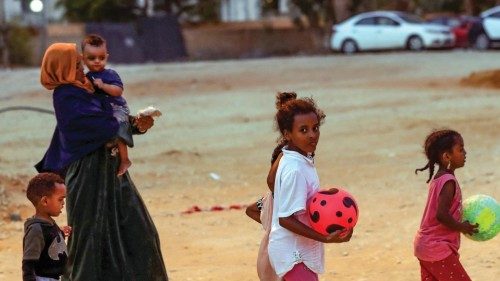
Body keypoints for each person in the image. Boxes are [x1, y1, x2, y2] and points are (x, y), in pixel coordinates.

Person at [35, 43, 168, 281]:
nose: (81, 67)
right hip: (88, 174)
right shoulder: (66, 96)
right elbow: (98, 126)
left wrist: (137, 124)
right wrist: (128, 125)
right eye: (76, 64)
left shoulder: (87, 88)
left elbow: (112, 117)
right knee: (89, 243)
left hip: (113, 169)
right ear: (62, 68)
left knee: (138, 232)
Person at [267, 92, 353, 281]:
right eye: (303, 130)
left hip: (292, 250)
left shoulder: (292, 155)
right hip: (293, 253)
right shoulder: (295, 168)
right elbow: (285, 219)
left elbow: (271, 181)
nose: (313, 135)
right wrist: (325, 238)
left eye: (315, 128)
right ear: (287, 134)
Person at [414, 129, 478, 281]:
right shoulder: (448, 181)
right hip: (436, 249)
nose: (465, 153)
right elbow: (441, 215)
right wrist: (462, 226)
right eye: (460, 149)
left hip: (425, 246)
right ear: (446, 156)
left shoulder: (439, 178)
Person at [81, 34, 132, 176]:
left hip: (116, 108)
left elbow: (118, 91)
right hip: (101, 110)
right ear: (83, 59)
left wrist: (103, 86)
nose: (97, 61)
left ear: (106, 57)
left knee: (116, 126)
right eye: (92, 58)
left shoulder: (110, 74)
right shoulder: (86, 77)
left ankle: (125, 159)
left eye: (101, 58)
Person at [23, 172, 72, 281]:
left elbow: (49, 242)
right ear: (45, 201)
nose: (63, 203)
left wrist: (61, 233)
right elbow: (28, 263)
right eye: (60, 199)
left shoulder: (49, 223)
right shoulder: (36, 229)